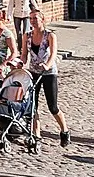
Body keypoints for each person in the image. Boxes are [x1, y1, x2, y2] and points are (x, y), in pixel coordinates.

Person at [25, 11, 71, 148]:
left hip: (49, 73)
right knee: (32, 106)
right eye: (31, 18)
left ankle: (64, 131)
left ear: (42, 19)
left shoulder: (50, 35)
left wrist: (47, 65)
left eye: (35, 18)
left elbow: (53, 54)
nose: (32, 21)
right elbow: (23, 54)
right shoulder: (27, 36)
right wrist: (19, 63)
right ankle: (37, 136)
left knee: (53, 106)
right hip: (33, 73)